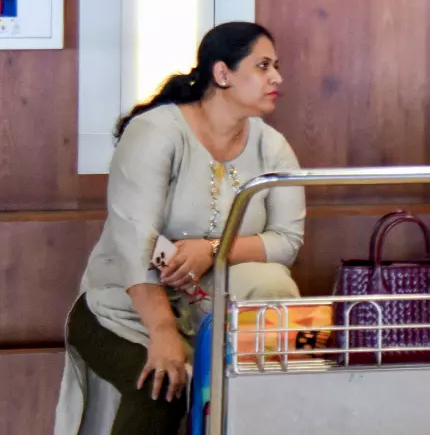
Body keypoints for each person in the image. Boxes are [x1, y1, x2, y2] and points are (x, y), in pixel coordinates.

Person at [54, 22, 306, 435]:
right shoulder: (156, 132)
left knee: (266, 373)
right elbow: (135, 244)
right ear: (222, 73)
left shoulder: (272, 146)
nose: (277, 77)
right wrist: (163, 332)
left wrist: (212, 249)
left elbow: (287, 241)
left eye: (276, 66)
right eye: (263, 66)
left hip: (214, 311)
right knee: (161, 386)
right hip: (124, 309)